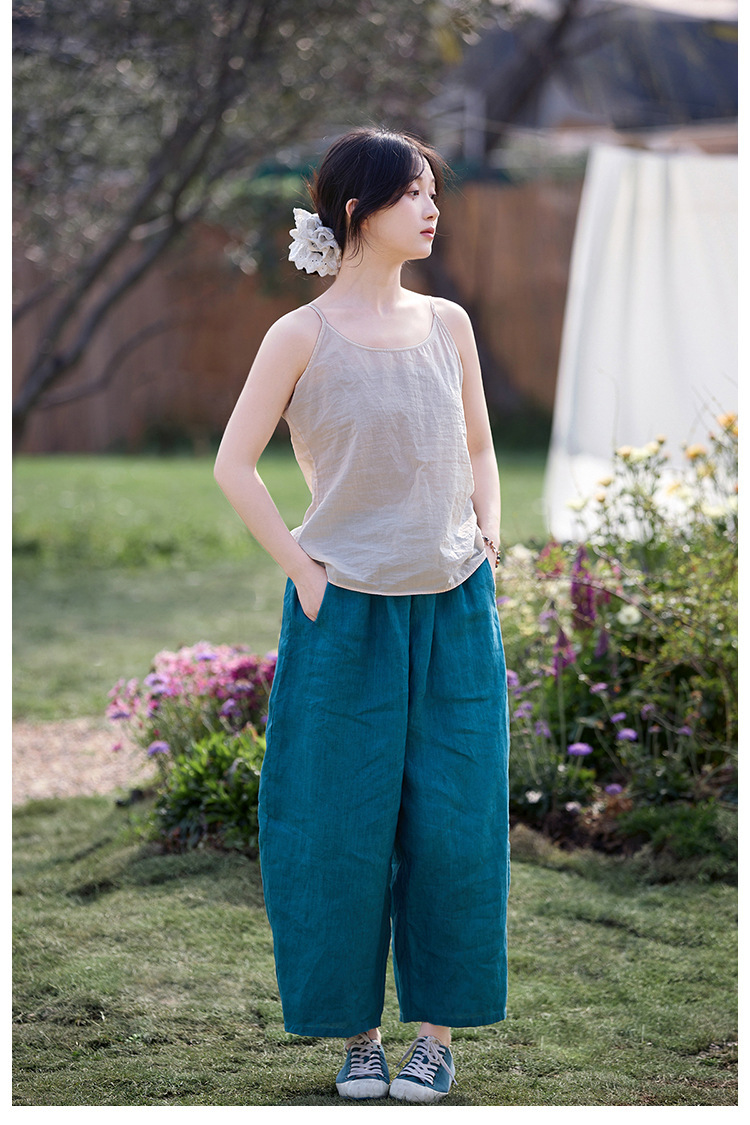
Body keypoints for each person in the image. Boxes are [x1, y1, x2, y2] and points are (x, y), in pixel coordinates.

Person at [214, 126, 509, 1104]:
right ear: (356, 211)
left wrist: (489, 534)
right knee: (334, 825)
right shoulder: (299, 335)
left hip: (454, 606)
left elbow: (479, 445)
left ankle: (435, 1040)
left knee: (456, 827)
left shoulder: (450, 323)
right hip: (342, 613)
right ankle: (358, 1041)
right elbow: (233, 464)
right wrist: (302, 571)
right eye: (413, 192)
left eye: (432, 191)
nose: (432, 208)